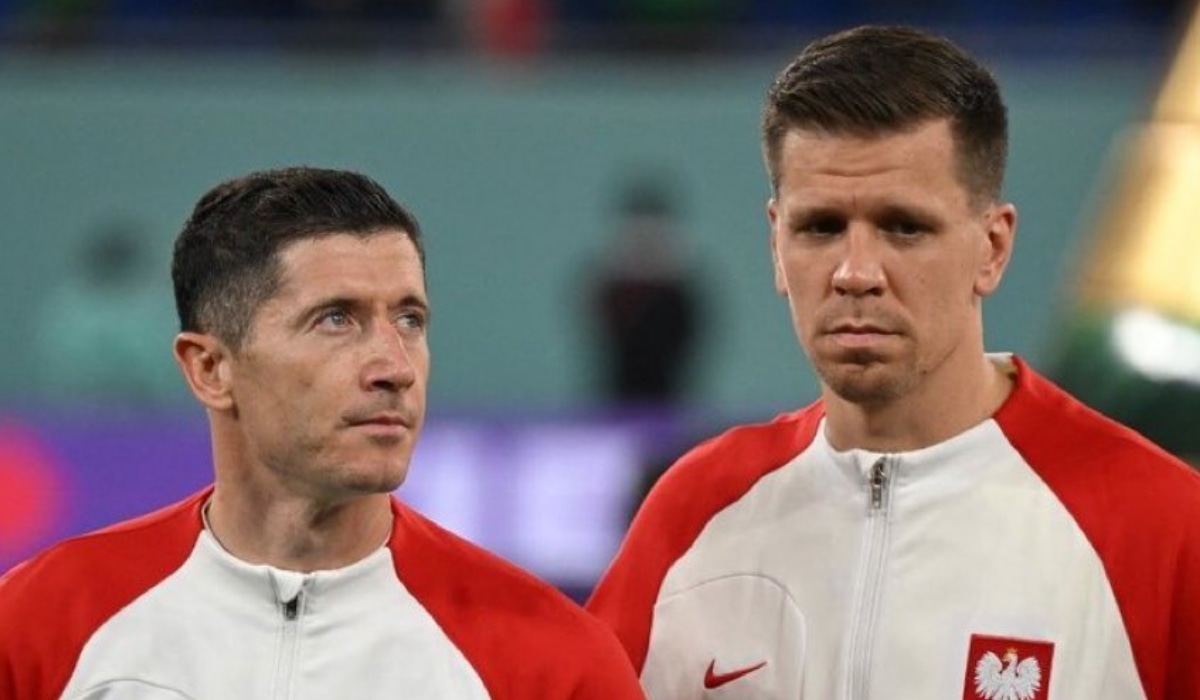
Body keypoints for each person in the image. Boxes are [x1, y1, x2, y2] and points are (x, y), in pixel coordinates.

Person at [586, 25, 1200, 700]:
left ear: (992, 248)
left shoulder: (1164, 531)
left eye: (904, 227)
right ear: (775, 245)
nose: (854, 272)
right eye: (820, 227)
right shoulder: (695, 515)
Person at [0, 167, 645, 699]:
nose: (395, 367)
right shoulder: (41, 626)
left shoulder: (554, 665)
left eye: (410, 319)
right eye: (336, 319)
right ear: (210, 368)